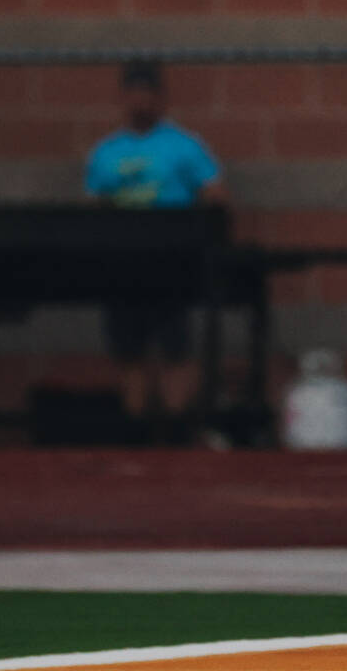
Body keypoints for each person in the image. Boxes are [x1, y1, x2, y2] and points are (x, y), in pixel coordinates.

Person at [85, 59, 227, 443]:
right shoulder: (106, 152)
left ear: (161, 97)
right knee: (128, 350)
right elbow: (95, 206)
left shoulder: (184, 145)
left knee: (176, 348)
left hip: (171, 262)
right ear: (123, 97)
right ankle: (137, 433)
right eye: (133, 92)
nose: (140, 100)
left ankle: (176, 431)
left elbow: (215, 195)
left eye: (148, 92)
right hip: (122, 264)